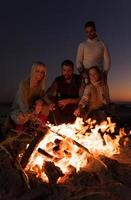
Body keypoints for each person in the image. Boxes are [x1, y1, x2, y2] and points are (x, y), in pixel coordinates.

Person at [3, 61, 49, 136]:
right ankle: (19, 134)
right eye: (37, 71)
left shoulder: (40, 86)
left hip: (31, 109)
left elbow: (43, 97)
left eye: (42, 72)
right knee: (21, 117)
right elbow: (21, 102)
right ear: (33, 71)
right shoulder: (24, 84)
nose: (40, 74)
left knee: (46, 108)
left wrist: (42, 102)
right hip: (20, 110)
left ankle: (39, 131)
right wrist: (29, 114)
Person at [45, 59, 85, 124]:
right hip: (61, 106)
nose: (66, 73)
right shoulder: (58, 80)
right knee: (52, 103)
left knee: (80, 107)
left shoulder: (79, 79)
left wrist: (69, 100)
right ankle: (55, 128)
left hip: (74, 105)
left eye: (69, 70)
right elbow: (47, 95)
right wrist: (50, 103)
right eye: (64, 70)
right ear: (61, 70)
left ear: (72, 70)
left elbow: (83, 98)